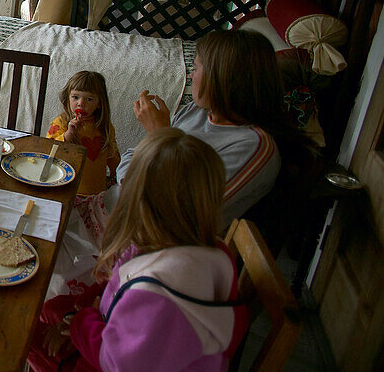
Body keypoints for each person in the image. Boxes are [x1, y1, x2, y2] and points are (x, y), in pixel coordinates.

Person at [54, 29, 293, 297]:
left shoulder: (254, 147)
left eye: (197, 67)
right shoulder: (197, 113)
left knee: (41, 271)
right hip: (109, 210)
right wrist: (155, 147)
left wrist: (160, 136)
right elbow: (129, 167)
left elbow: (177, 209)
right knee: (34, 218)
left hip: (141, 248)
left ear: (224, 78)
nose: (191, 75)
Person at [27, 128, 249, 372]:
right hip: (146, 361)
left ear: (140, 201)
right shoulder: (203, 248)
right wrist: (78, 313)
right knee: (50, 308)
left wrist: (80, 326)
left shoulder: (164, 291)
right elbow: (116, 290)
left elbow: (121, 365)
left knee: (22, 335)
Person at [46, 71, 121, 196]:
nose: (81, 103)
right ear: (67, 97)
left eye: (89, 99)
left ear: (99, 104)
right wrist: (69, 133)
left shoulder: (105, 127)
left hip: (96, 192)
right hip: (67, 190)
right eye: (75, 97)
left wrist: (116, 175)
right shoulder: (60, 123)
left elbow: (113, 156)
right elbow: (50, 151)